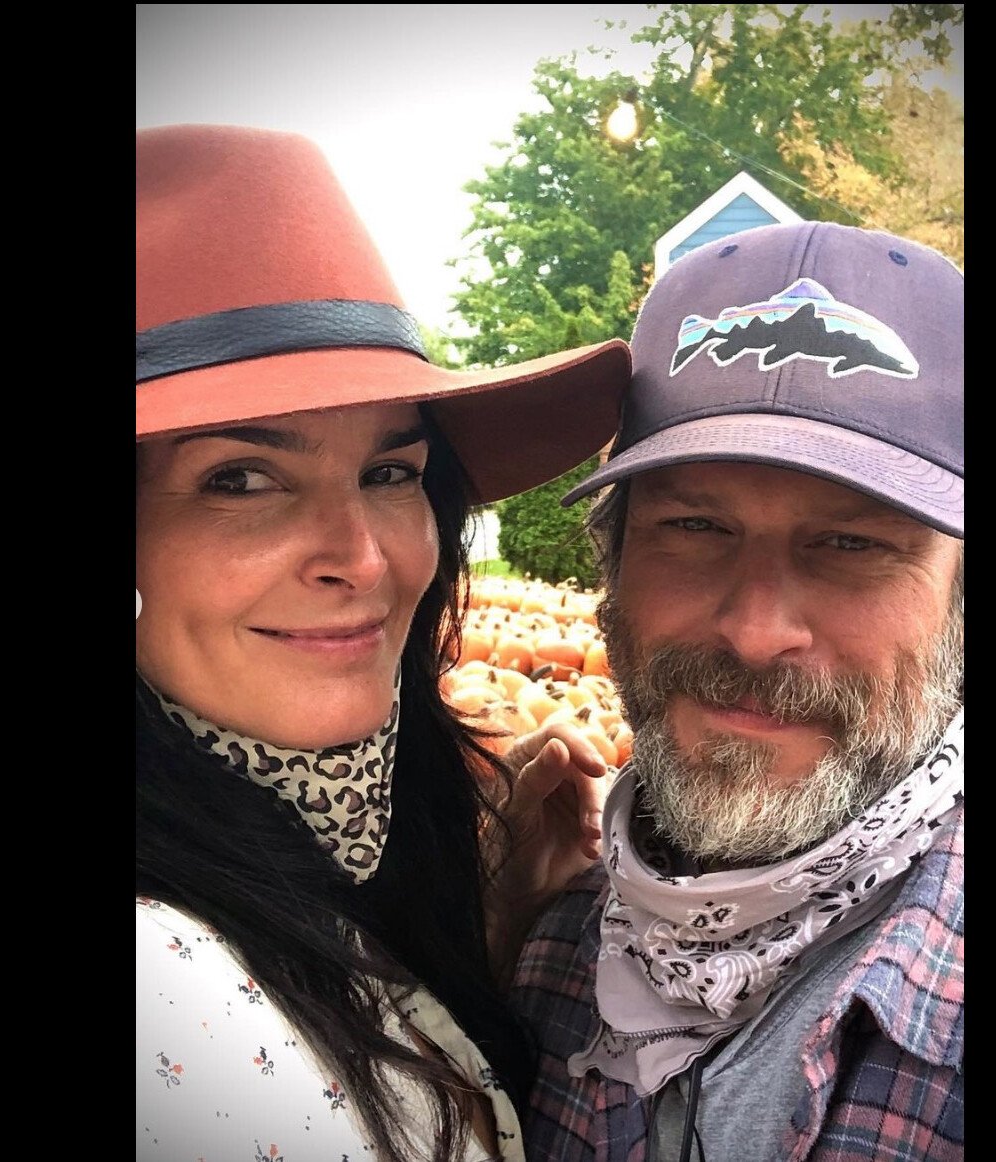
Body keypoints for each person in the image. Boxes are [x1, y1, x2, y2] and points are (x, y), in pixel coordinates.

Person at [135, 123, 631, 1162]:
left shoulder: (330, 867)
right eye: (242, 477)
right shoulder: (166, 991)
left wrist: (481, 934)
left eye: (391, 472)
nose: (359, 555)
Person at [509, 220, 964, 1161]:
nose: (757, 631)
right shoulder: (543, 958)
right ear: (614, 564)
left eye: (852, 543)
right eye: (697, 526)